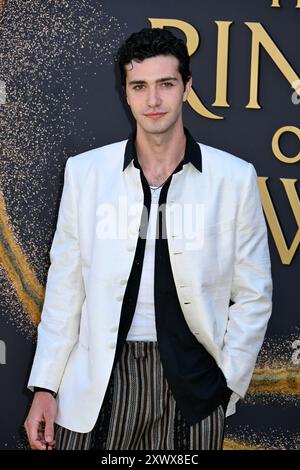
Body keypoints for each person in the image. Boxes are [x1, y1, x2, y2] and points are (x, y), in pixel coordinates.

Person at [24, 27, 272, 451]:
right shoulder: (85, 174)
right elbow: (65, 290)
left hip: (194, 388)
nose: (153, 101)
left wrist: (227, 384)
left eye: (166, 85)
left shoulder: (234, 179)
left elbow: (254, 295)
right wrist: (46, 386)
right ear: (126, 93)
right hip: (98, 383)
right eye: (140, 86)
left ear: (187, 88)